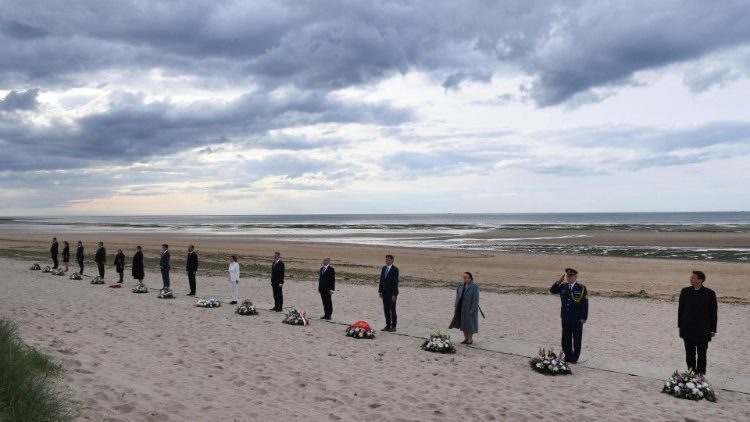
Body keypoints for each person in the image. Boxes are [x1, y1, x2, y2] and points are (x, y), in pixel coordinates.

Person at [678, 270, 718, 374]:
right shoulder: (685, 291)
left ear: (700, 280)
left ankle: (700, 375)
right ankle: (691, 373)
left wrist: (713, 329)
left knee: (702, 354)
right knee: (689, 354)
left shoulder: (710, 293)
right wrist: (680, 325)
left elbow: (713, 313)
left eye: (693, 278)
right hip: (688, 328)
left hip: (703, 329)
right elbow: (681, 309)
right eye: (691, 277)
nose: (691, 279)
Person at [549, 268, 588, 363]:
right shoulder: (563, 286)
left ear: (575, 277)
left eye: (571, 276)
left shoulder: (581, 288)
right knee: (566, 338)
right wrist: (558, 282)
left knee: (577, 338)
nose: (569, 278)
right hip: (565, 317)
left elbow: (585, 303)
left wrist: (583, 317)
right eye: (568, 276)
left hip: (577, 318)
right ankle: (568, 356)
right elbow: (552, 290)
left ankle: (574, 358)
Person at [449, 272, 480, 345]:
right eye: (464, 277)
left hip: (470, 307)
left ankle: (470, 339)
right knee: (463, 323)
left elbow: (476, 299)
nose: (464, 278)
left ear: (470, 278)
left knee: (470, 324)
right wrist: (456, 305)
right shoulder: (460, 285)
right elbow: (457, 296)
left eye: (466, 277)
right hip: (461, 307)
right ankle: (466, 338)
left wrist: (473, 309)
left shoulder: (474, 286)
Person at [378, 254, 399, 332]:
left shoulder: (395, 269)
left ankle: (393, 326)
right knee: (386, 310)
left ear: (392, 260)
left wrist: (394, 294)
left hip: (392, 293)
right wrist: (380, 291)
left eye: (388, 260)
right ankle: (388, 325)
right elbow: (381, 280)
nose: (386, 261)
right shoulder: (384, 268)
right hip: (384, 292)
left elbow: (395, 283)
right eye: (386, 259)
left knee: (392, 310)